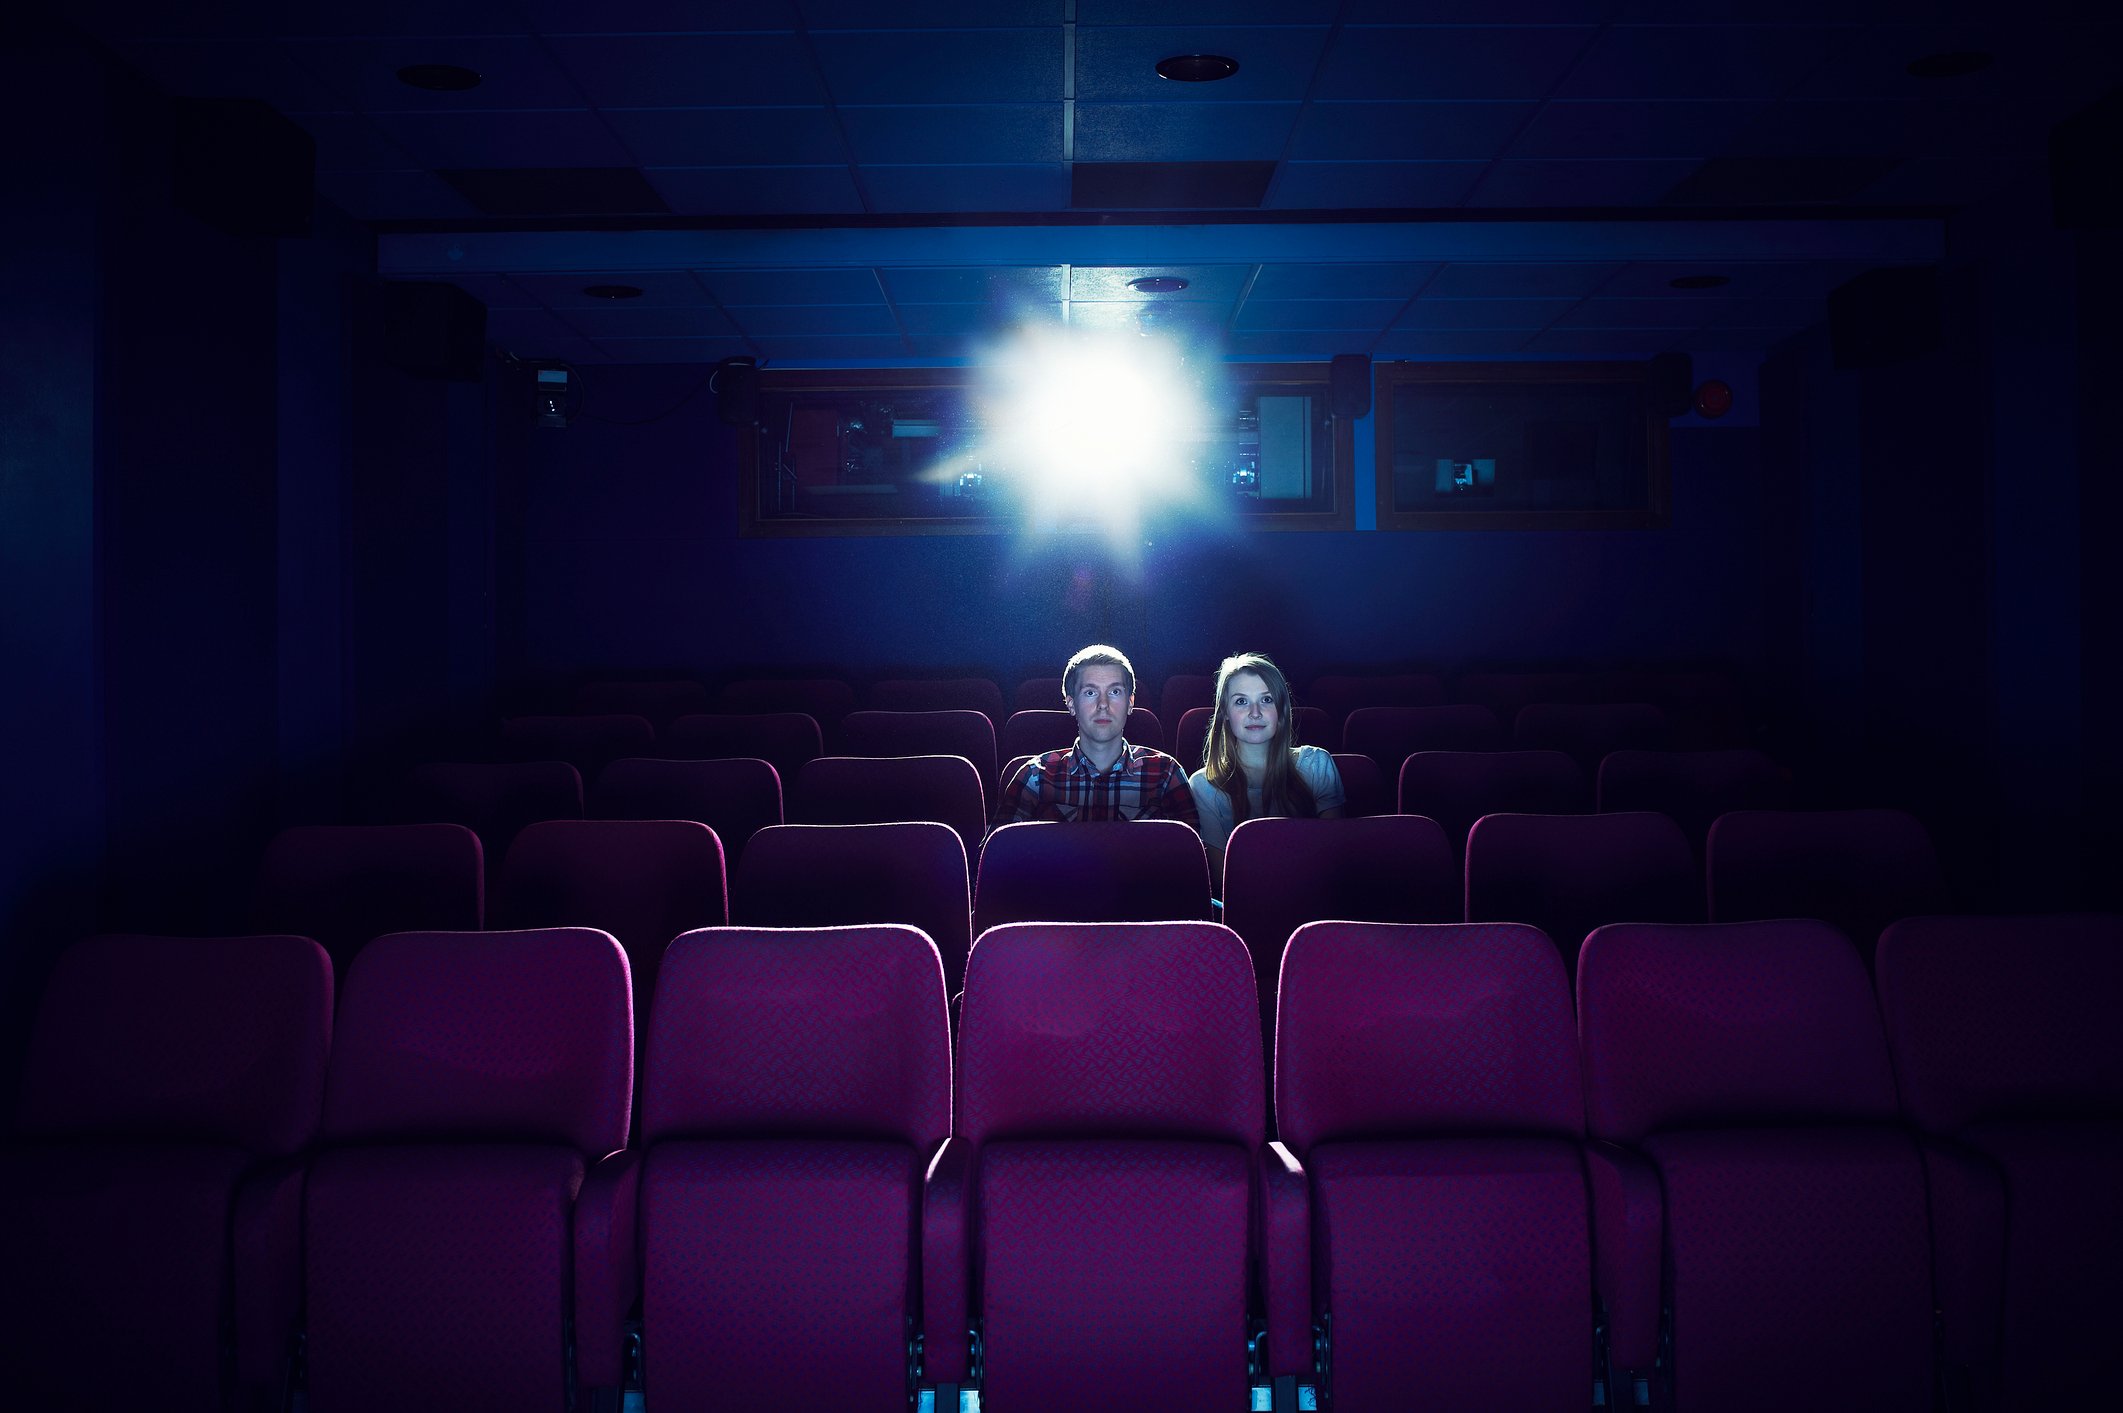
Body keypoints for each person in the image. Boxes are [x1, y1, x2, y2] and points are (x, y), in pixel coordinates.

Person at [994, 644, 1198, 825]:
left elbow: (1194, 861)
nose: (1103, 705)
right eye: (1090, 692)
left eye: (1114, 692)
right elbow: (994, 860)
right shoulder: (1035, 777)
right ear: (1071, 704)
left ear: (1130, 702)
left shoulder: (1166, 774)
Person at [1190, 652, 1345, 884]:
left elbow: (1333, 860)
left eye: (1266, 699)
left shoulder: (1316, 764)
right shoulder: (1204, 785)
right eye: (1241, 701)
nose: (1255, 713)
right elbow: (1224, 879)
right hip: (1243, 907)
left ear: (1281, 712)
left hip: (1316, 898)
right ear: (1225, 714)